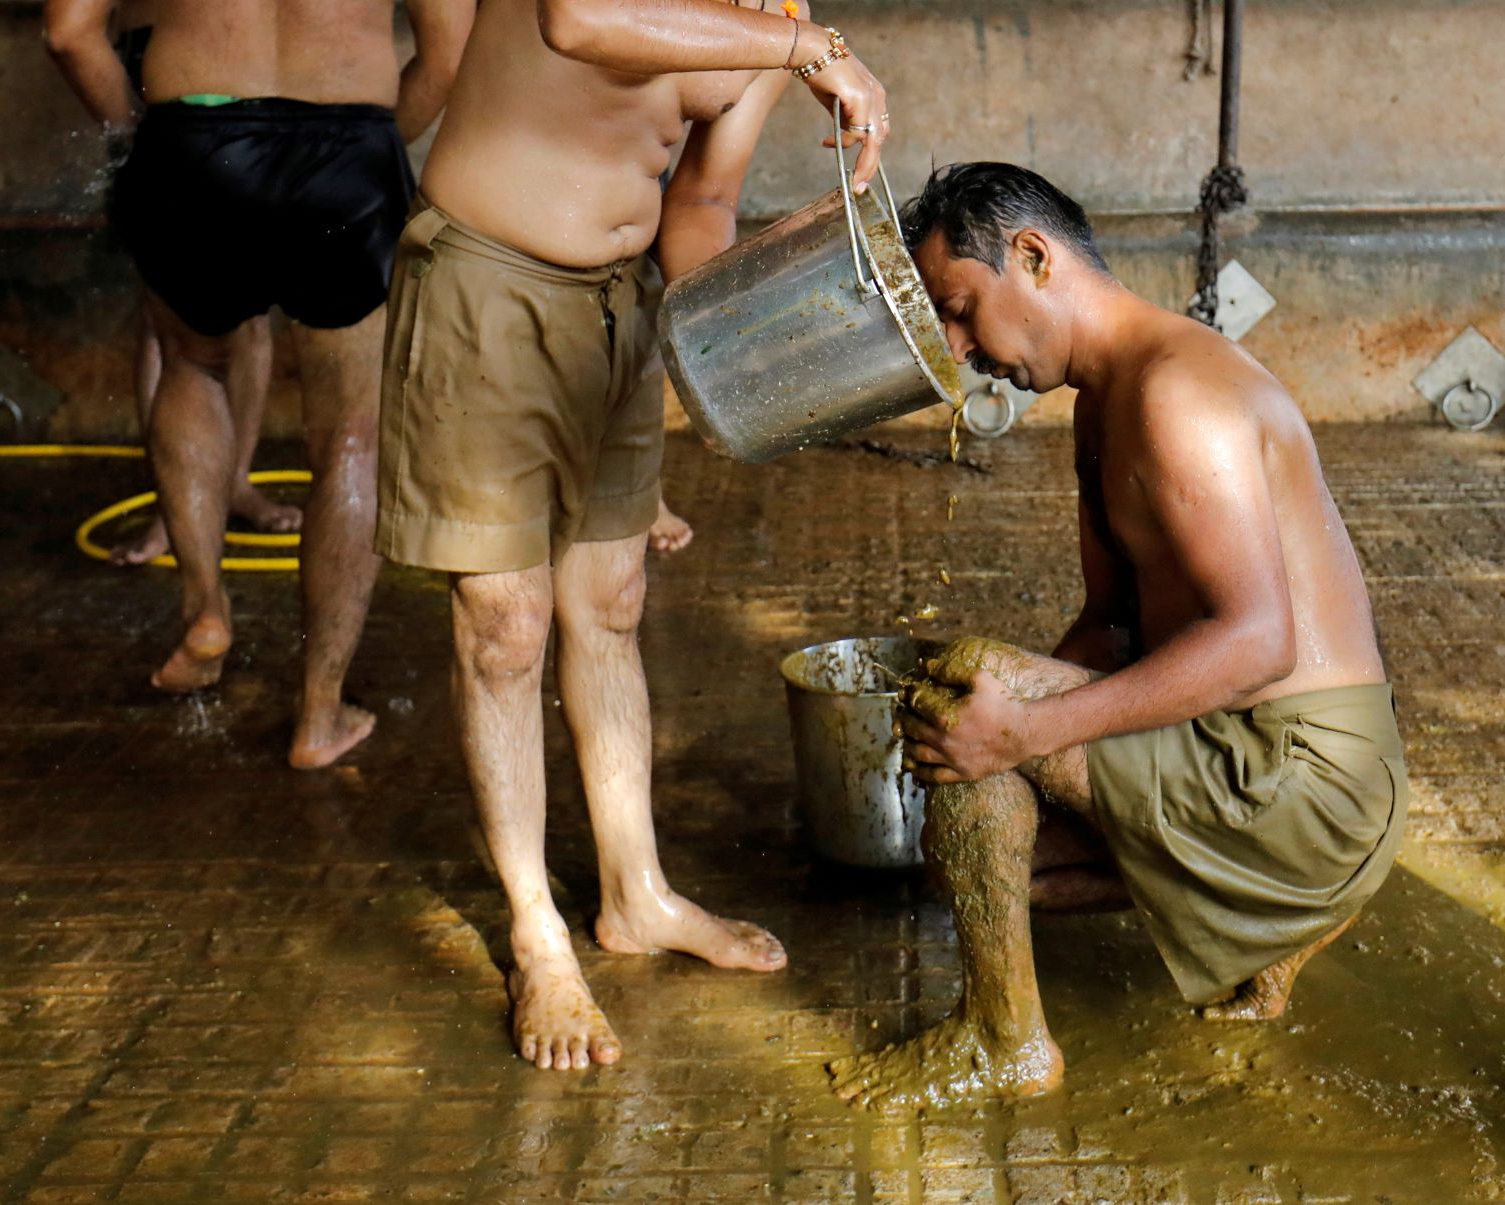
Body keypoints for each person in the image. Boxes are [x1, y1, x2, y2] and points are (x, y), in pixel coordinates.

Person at [374, 0, 888, 1071]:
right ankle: (533, 933)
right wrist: (809, 51)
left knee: (607, 604)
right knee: (503, 624)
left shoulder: (778, 13)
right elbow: (576, 19)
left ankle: (634, 892)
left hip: (619, 310)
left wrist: (770, 321)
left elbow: (699, 202)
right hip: (488, 277)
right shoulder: (792, 35)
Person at [828, 163, 1406, 1109]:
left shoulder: (1177, 392)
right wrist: (1008, 731)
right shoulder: (1105, 399)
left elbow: (1258, 641)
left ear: (1033, 256)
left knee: (975, 696)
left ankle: (1001, 1042)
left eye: (962, 309)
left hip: (1307, 781)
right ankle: (1266, 930)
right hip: (1244, 752)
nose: (961, 349)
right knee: (970, 812)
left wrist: (1026, 728)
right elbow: (1107, 627)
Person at [48, 0, 473, 769]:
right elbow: (447, 53)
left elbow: (69, 32)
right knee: (351, 434)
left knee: (194, 366)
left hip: (193, 141)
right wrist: (367, 147)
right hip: (349, 149)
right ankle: (318, 712)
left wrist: (140, 141)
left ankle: (204, 612)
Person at [43, 0, 300, 567]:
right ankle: (183, 503)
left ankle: (231, 484)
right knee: (176, 317)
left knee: (218, 313)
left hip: (228, 58)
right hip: (183, 56)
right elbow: (68, 34)